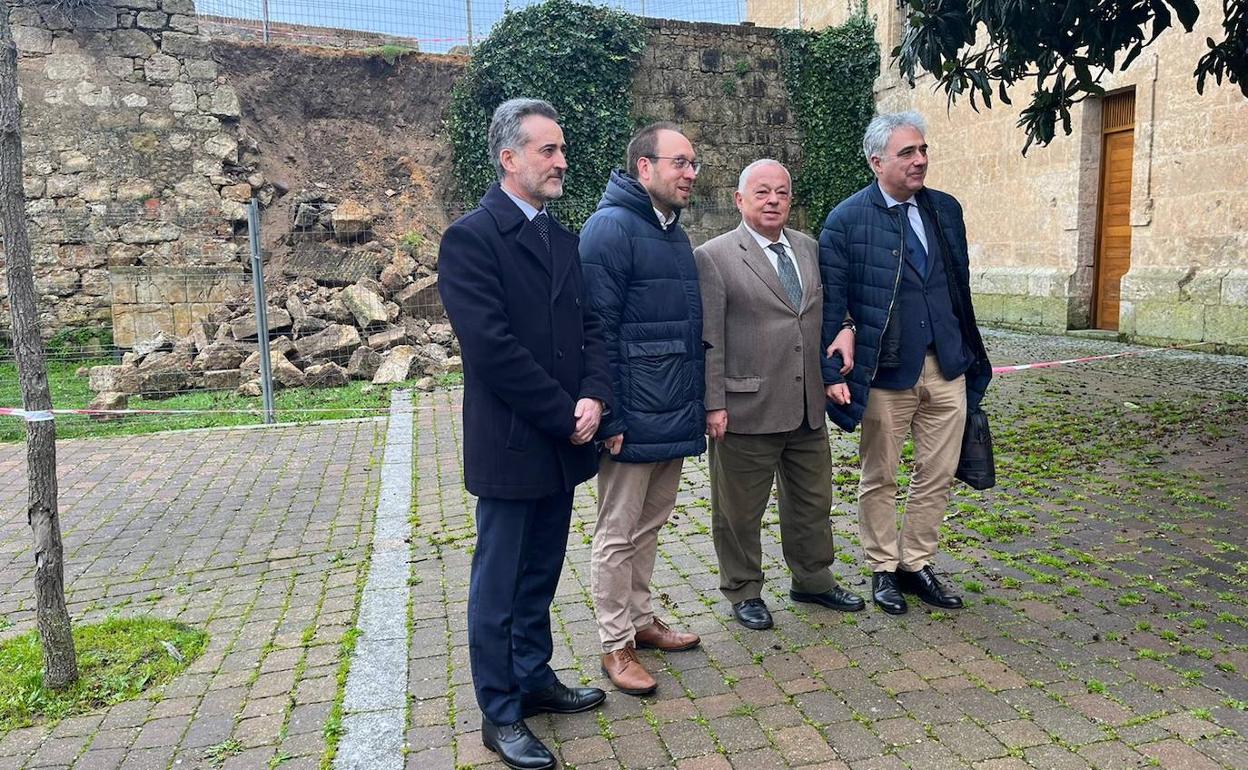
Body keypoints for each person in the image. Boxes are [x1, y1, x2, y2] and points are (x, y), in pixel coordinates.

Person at [437, 98, 614, 770]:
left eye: (561, 149)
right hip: (515, 440)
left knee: (539, 571)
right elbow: (492, 348)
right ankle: (500, 712)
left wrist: (595, 394)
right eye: (548, 150)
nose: (562, 161)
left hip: (563, 440)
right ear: (509, 157)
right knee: (499, 582)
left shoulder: (561, 237)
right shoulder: (472, 239)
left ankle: (534, 679)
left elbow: (591, 328)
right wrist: (563, 410)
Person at [819, 111, 992, 616]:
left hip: (947, 365)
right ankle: (881, 568)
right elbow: (834, 305)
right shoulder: (846, 220)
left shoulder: (945, 210)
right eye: (907, 153)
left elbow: (956, 285)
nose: (920, 160)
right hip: (887, 371)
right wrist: (835, 371)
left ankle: (915, 563)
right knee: (881, 475)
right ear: (877, 162)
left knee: (937, 472)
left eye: (922, 150)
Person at [694, 159, 865, 632]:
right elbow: (709, 338)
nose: (773, 201)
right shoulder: (714, 255)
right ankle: (744, 589)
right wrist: (713, 403)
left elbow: (827, 313)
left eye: (783, 193)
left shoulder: (809, 249)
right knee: (737, 511)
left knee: (813, 501)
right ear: (740, 200)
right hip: (745, 407)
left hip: (808, 405)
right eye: (763, 192)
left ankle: (812, 579)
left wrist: (846, 330)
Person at [579, 122, 706, 696]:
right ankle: (615, 644)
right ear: (644, 168)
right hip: (631, 419)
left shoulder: (672, 231)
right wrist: (612, 418)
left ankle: (641, 619)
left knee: (650, 525)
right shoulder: (609, 229)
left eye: (694, 163)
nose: (690, 173)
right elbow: (595, 331)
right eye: (679, 162)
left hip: (672, 412)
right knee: (616, 532)